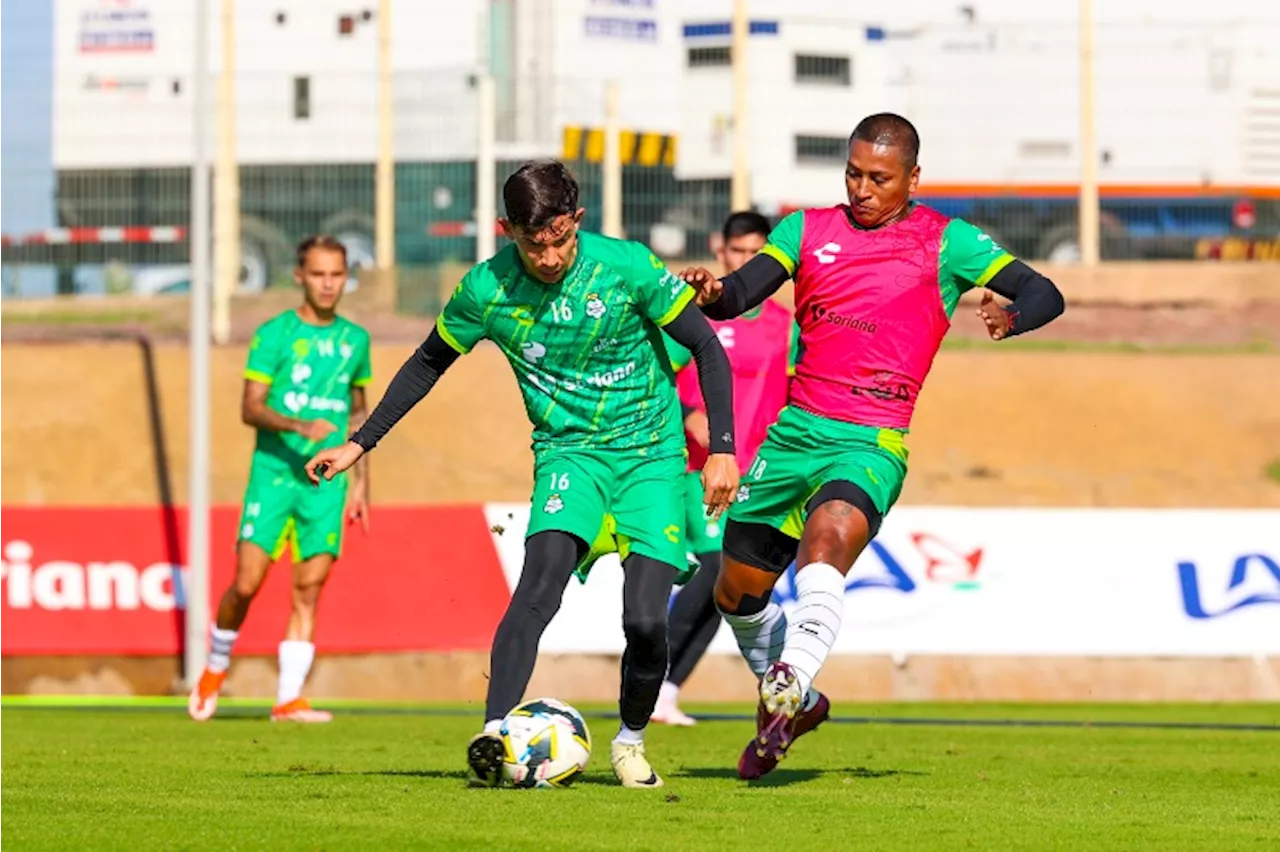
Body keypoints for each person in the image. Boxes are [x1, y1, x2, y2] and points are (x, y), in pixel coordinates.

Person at [303, 160, 740, 789]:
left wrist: (722, 447)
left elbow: (706, 346)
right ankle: (494, 735)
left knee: (645, 619)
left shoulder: (626, 266)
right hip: (569, 456)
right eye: (534, 244)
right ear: (508, 231)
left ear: (577, 221)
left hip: (651, 458)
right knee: (538, 587)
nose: (551, 256)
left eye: (561, 238)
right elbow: (428, 363)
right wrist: (358, 443)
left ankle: (630, 740)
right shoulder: (486, 290)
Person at [680, 113, 1066, 779]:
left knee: (827, 541)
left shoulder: (949, 242)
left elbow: (1045, 289)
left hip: (871, 437)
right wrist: (714, 294)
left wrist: (1014, 313)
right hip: (795, 432)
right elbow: (742, 293)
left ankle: (789, 680)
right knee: (735, 593)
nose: (862, 188)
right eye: (854, 174)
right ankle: (795, 704)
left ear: (912, 178)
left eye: (879, 178)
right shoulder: (805, 229)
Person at [188, 235, 372, 724]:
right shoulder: (273, 334)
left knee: (308, 588)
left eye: (336, 274)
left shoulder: (356, 340)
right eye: (318, 274)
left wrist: (362, 484)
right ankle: (214, 668)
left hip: (326, 482)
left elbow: (359, 413)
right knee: (246, 585)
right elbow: (249, 408)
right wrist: (298, 426)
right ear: (300, 276)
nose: (328, 284)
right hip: (272, 476)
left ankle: (288, 698)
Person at [650, 211, 797, 727]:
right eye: (739, 251)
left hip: (759, 476)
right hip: (699, 469)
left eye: (759, 253)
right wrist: (689, 415)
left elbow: (798, 394)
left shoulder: (785, 328)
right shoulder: (696, 317)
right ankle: (646, 676)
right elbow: (653, 377)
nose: (747, 262)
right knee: (714, 567)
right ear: (720, 251)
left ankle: (665, 690)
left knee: (728, 587)